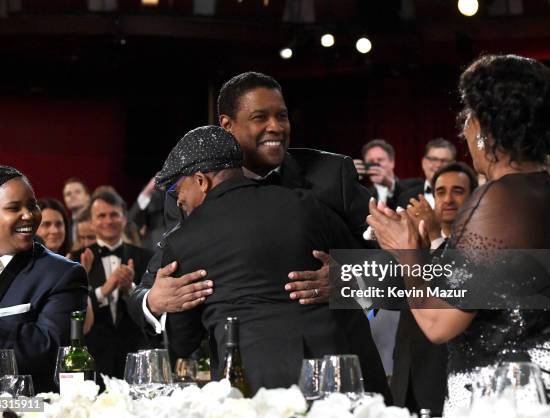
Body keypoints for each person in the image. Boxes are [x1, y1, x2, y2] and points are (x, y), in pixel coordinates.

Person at [128, 72, 391, 399]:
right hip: (247, 385)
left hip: (343, 378)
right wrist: (155, 301)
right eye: (260, 117)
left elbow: (409, 263)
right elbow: (147, 289)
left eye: (282, 115)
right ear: (226, 125)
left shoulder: (330, 177)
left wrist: (349, 279)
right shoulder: (185, 196)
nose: (276, 127)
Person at [368, 54, 550, 415]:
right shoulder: (541, 189)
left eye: (468, 115)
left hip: (510, 392)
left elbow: (439, 324)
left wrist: (406, 251)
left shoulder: (497, 201)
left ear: (487, 127)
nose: (464, 127)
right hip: (548, 381)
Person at [0, 166, 88, 394]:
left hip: (19, 410)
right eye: (14, 208)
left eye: (32, 206)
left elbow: (51, 350)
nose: (29, 215)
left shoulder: (62, 274)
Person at [391, 161, 478, 416]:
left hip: (446, 376)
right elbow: (390, 292)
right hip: (405, 370)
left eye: (458, 191)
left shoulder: (481, 245)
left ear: (474, 197)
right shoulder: (415, 243)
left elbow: (454, 286)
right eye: (441, 192)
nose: (448, 199)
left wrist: (436, 237)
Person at [70, 190, 152, 379]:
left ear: (124, 219)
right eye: (101, 215)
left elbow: (153, 309)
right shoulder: (76, 258)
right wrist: (105, 289)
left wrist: (130, 289)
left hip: (134, 355)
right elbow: (74, 310)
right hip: (93, 355)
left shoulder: (145, 257)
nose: (108, 221)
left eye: (114, 214)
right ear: (91, 221)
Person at [353, 139, 412, 210]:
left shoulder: (413, 185)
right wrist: (350, 179)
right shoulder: (364, 195)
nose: (375, 165)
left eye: (380, 160)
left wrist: (389, 184)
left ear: (392, 162)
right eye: (370, 161)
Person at [398, 138, 457, 208]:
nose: (438, 165)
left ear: (454, 165)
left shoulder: (463, 196)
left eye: (444, 161)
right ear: (423, 163)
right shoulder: (406, 197)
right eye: (434, 159)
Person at [62, 177, 90, 242]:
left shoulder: (96, 221)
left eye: (77, 192)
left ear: (87, 196)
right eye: (68, 194)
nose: (72, 196)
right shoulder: (65, 225)